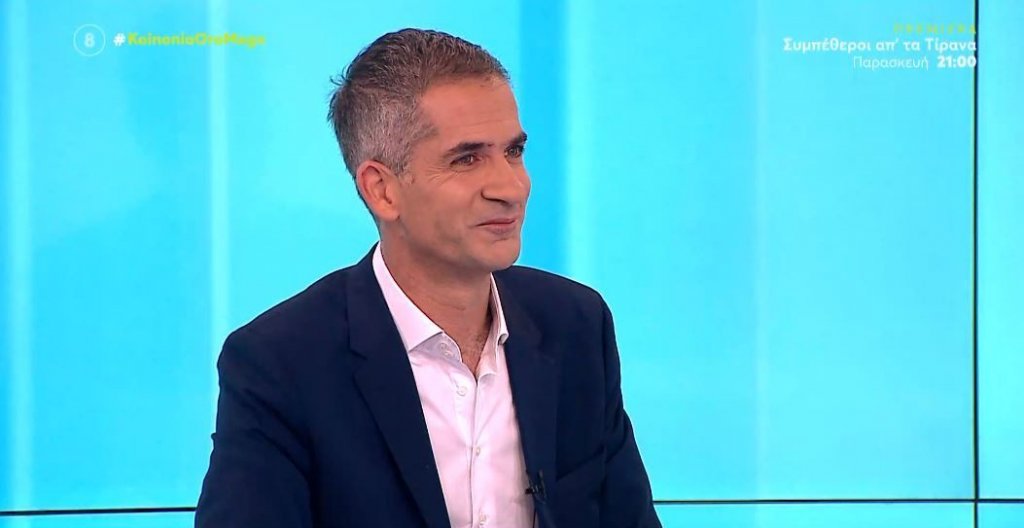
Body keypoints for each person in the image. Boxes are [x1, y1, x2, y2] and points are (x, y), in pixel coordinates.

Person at [195, 28, 661, 528]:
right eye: (467, 159)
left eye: (513, 152)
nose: (511, 187)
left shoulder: (575, 324)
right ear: (382, 190)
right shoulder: (280, 363)